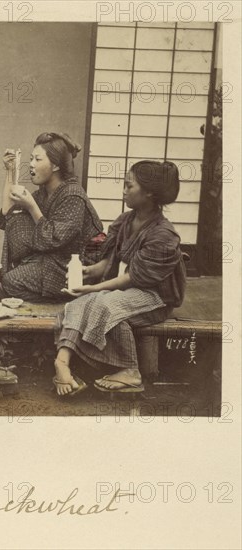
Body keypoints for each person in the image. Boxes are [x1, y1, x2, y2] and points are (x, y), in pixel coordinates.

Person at [53, 160, 186, 396]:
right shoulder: (125, 221)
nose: (124, 190)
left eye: (129, 186)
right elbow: (110, 261)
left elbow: (134, 278)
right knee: (79, 303)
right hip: (126, 291)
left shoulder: (163, 234)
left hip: (155, 297)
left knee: (103, 302)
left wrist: (96, 289)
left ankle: (131, 371)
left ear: (149, 193)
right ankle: (61, 362)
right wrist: (89, 272)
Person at [0, 132, 103, 302]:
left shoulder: (73, 194)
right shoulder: (43, 193)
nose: (31, 165)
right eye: (31, 159)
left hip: (76, 265)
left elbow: (54, 238)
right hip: (53, 258)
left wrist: (31, 206)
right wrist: (10, 171)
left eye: (37, 160)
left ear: (55, 166)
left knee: (10, 282)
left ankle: (63, 301)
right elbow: (8, 213)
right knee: (17, 220)